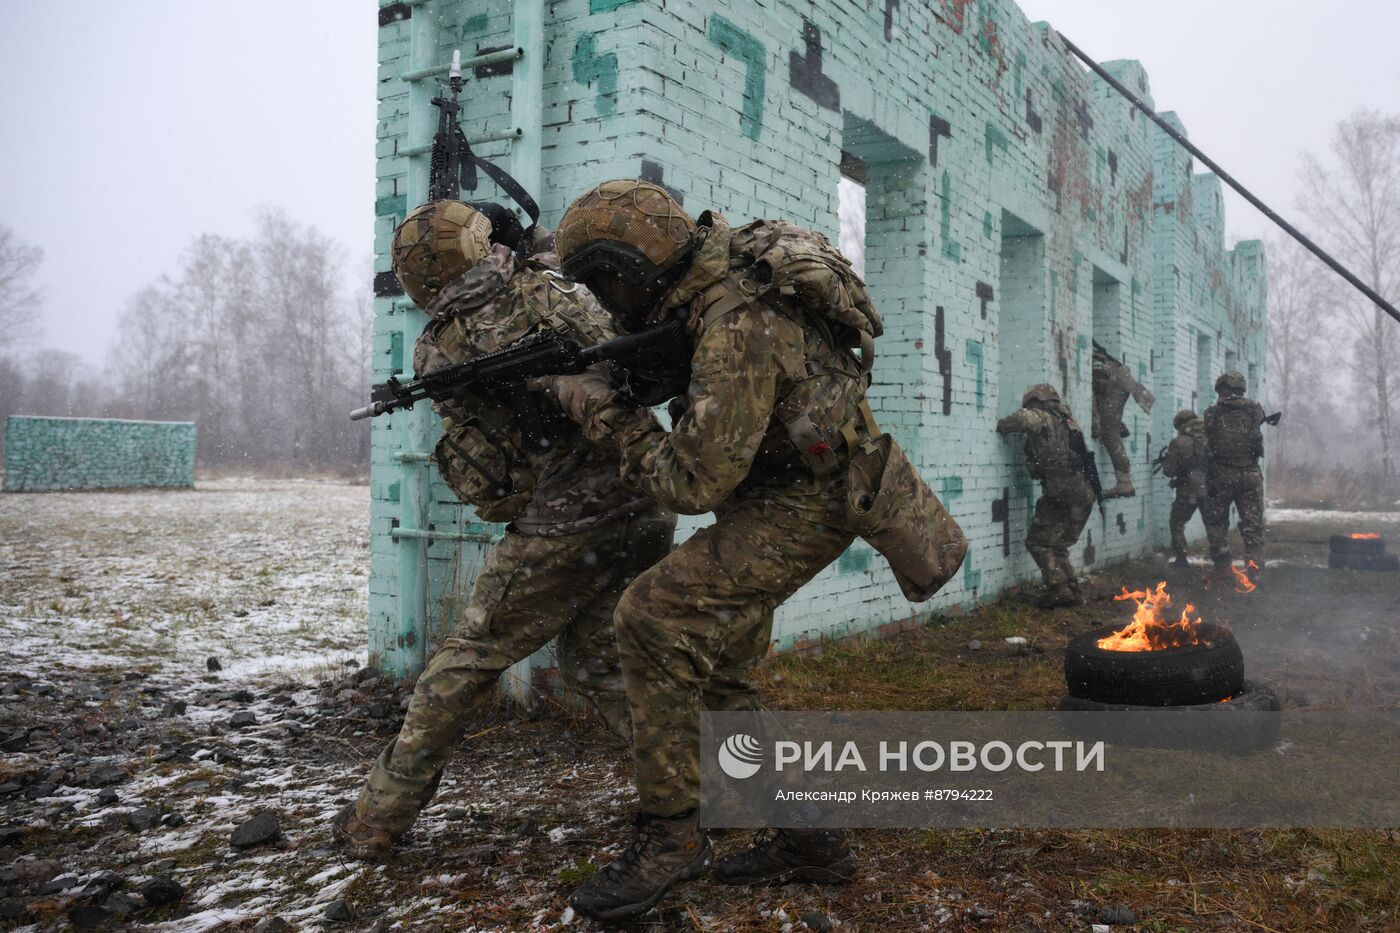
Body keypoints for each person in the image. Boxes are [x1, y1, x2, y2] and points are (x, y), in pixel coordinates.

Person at [543, 179, 964, 922]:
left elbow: (692, 480)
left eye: (605, 286)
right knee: (724, 671)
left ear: (631, 271)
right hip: (786, 482)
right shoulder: (707, 278)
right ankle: (809, 842)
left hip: (806, 500)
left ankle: (671, 835)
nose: (607, 305)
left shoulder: (734, 322)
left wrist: (603, 408)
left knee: (651, 615)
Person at [332, 200, 675, 860]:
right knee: (603, 662)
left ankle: (377, 815)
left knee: (463, 663)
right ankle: (697, 795)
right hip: (646, 499)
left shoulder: (439, 347)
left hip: (565, 526)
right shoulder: (553, 286)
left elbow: (487, 461)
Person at [996, 384, 1096, 608]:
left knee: (1038, 542)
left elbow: (1022, 420)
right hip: (1084, 491)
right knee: (1059, 545)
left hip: (1062, 490)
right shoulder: (1068, 421)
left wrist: (1002, 426)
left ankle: (1057, 589)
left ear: (1036, 402)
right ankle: (1075, 592)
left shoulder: (1043, 417)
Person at [1202, 371, 1266, 577]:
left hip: (1222, 474)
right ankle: (1254, 566)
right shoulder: (1255, 410)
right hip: (1249, 474)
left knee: (1216, 521)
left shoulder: (1212, 413)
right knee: (1252, 522)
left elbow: (1208, 442)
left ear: (1222, 389)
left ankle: (1222, 562)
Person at [1091, 343, 1154, 498]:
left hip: (1119, 385)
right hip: (1122, 382)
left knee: (1109, 433)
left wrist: (1099, 424)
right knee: (1110, 426)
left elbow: (1102, 389)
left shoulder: (1095, 364)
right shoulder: (1101, 360)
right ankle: (1118, 425)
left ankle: (1125, 483)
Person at [1159, 409, 1208, 567]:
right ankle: (1222, 560)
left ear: (1180, 425)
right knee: (1214, 524)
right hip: (1210, 489)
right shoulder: (1211, 436)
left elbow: (1169, 471)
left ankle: (1181, 558)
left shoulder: (1179, 442)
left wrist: (1166, 461)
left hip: (1188, 490)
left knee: (1177, 522)